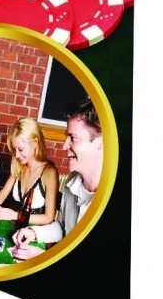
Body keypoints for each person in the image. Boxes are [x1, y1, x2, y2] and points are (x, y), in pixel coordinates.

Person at [13, 98, 106, 260]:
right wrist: (34, 232)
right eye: (66, 137)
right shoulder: (72, 181)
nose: (64, 145)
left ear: (101, 141)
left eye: (73, 138)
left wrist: (42, 257)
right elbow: (63, 227)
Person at [0, 117, 62, 242]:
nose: (17, 155)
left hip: (34, 235)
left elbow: (48, 217)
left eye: (21, 149)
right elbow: (3, 193)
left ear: (35, 142)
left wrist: (15, 215)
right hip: (12, 229)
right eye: (14, 150)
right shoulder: (19, 165)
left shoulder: (49, 172)